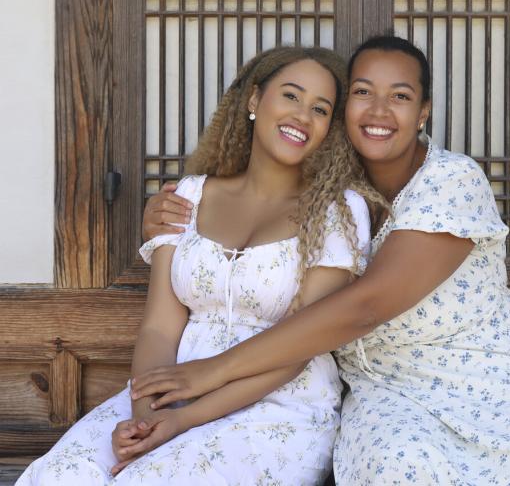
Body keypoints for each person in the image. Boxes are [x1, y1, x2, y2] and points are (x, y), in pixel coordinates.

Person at [137, 36, 510, 485]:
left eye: (399, 96)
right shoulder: (331, 190)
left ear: (424, 112)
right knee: (397, 468)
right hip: (386, 390)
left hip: (490, 381)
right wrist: (167, 223)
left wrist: (212, 371)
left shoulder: (450, 180)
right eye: (362, 93)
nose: (378, 111)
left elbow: (366, 307)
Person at [17, 47, 384, 485]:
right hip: (166, 388)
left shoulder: (338, 212)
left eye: (320, 109)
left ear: (330, 129)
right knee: (60, 475)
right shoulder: (189, 197)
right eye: (290, 96)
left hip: (279, 401)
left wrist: (182, 422)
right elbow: (158, 328)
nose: (303, 115)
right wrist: (145, 415)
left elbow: (300, 347)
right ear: (254, 100)